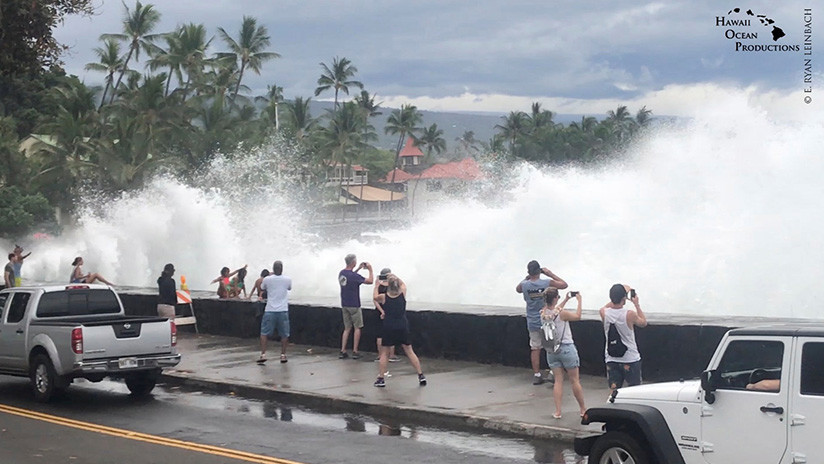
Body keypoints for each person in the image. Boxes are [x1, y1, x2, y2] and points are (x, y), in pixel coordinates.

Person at [515, 260, 567, 385]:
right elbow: (564, 285)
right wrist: (550, 273)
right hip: (546, 319)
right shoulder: (546, 283)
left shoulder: (525, 285)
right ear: (539, 271)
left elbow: (518, 289)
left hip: (532, 321)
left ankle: (537, 374)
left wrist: (526, 278)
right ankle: (552, 372)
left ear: (529, 272)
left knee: (535, 348)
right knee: (551, 347)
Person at [372, 274, 426, 387]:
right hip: (402, 326)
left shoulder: (384, 297)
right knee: (409, 351)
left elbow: (375, 297)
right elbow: (403, 284)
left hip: (389, 327)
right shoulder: (402, 294)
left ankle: (381, 378)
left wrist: (377, 285)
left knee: (385, 353)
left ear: (388, 286)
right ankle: (421, 375)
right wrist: (394, 277)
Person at [541, 289, 587, 419]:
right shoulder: (563, 314)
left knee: (558, 381)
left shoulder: (543, 313)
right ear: (555, 298)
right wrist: (579, 301)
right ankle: (583, 409)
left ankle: (558, 411)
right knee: (574, 380)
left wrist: (566, 299)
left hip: (552, 350)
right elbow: (578, 316)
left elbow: (555, 310)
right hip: (566, 348)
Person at [600, 283, 647, 394]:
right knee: (635, 391)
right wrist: (637, 304)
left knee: (614, 391)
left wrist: (620, 295)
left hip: (612, 358)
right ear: (624, 298)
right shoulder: (629, 314)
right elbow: (643, 323)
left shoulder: (604, 313)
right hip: (630, 358)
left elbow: (606, 306)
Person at [338, 253, 373, 360]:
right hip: (354, 304)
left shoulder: (342, 273)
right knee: (357, 327)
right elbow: (370, 281)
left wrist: (358, 269)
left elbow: (351, 277)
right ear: (353, 262)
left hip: (344, 303)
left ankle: (343, 350)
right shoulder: (354, 276)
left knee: (347, 328)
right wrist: (370, 269)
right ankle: (355, 351)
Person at [258, 260, 292, 364]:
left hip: (270, 309)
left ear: (273, 269)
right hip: (283, 310)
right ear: (282, 269)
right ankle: (283, 355)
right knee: (284, 334)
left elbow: (262, 287)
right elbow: (289, 288)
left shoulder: (268, 279)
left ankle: (263, 354)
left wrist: (270, 275)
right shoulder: (287, 279)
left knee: (264, 332)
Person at [372, 268, 399, 363]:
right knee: (391, 333)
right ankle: (391, 355)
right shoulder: (392, 286)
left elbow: (375, 300)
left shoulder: (378, 286)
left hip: (378, 312)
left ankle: (380, 355)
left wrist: (381, 311)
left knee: (379, 335)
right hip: (389, 312)